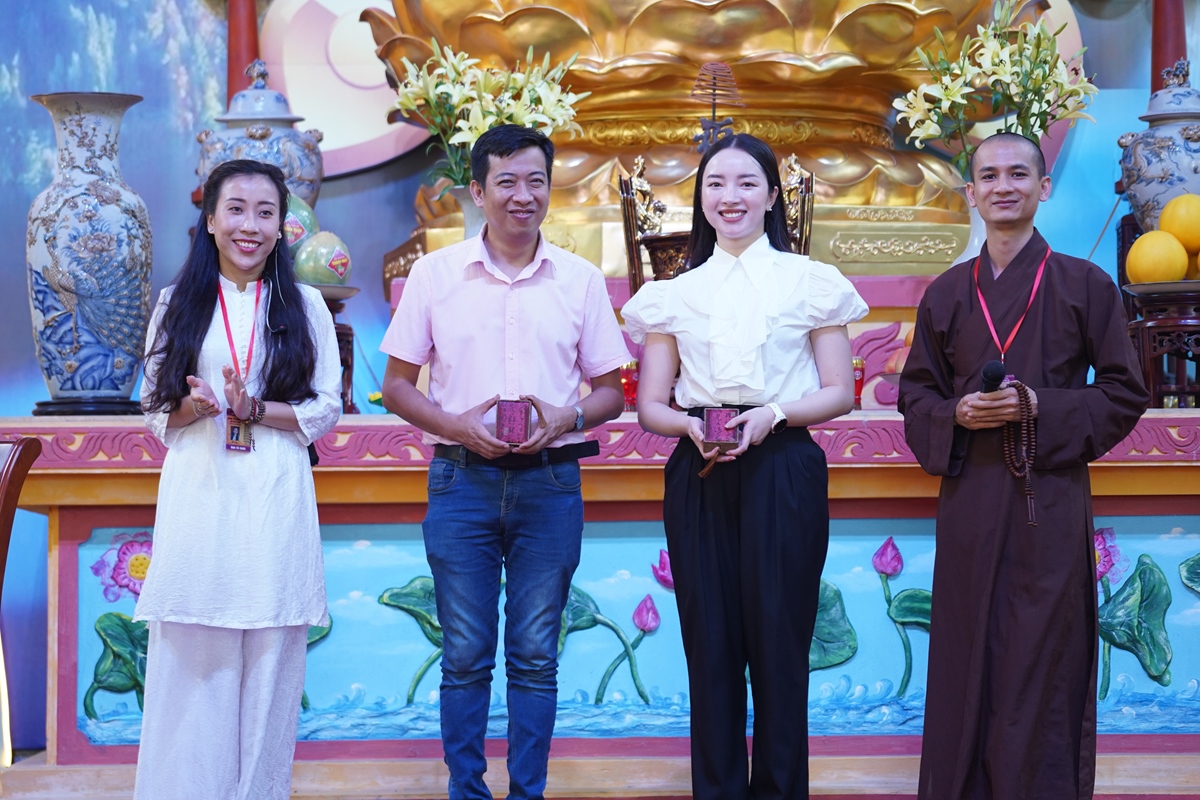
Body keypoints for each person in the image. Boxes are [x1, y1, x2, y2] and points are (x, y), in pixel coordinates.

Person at [379, 124, 630, 800]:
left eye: (536, 181)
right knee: (464, 654)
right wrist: (455, 424)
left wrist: (567, 417)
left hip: (551, 484)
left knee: (536, 655)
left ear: (550, 188)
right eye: (507, 182)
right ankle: (467, 790)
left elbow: (611, 391)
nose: (524, 196)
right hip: (460, 480)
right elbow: (397, 386)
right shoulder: (434, 275)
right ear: (478, 191)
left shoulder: (580, 281)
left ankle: (527, 793)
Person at [898, 132, 1149, 800]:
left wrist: (1039, 406)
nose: (1002, 186)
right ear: (971, 194)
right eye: (988, 176)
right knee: (967, 655)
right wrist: (956, 413)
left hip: (1050, 501)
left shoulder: (1085, 285)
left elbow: (1124, 392)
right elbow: (915, 397)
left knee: (1044, 657)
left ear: (1044, 187)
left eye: (1018, 174)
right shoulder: (946, 294)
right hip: (971, 503)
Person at [622, 133, 868, 800]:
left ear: (772, 196)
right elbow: (651, 405)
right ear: (701, 199)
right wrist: (688, 426)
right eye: (715, 184)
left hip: (783, 465)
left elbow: (839, 392)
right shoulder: (673, 293)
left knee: (781, 646)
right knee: (710, 649)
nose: (729, 197)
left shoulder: (811, 281)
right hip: (699, 466)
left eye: (746, 183)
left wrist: (774, 415)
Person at [134, 159, 342, 799]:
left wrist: (255, 409)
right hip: (201, 497)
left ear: (283, 228)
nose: (250, 225)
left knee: (272, 659)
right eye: (236, 209)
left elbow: (326, 406)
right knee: (193, 659)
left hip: (276, 497)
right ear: (210, 220)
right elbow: (153, 409)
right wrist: (195, 407)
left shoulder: (306, 305)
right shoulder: (176, 303)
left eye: (265, 212)